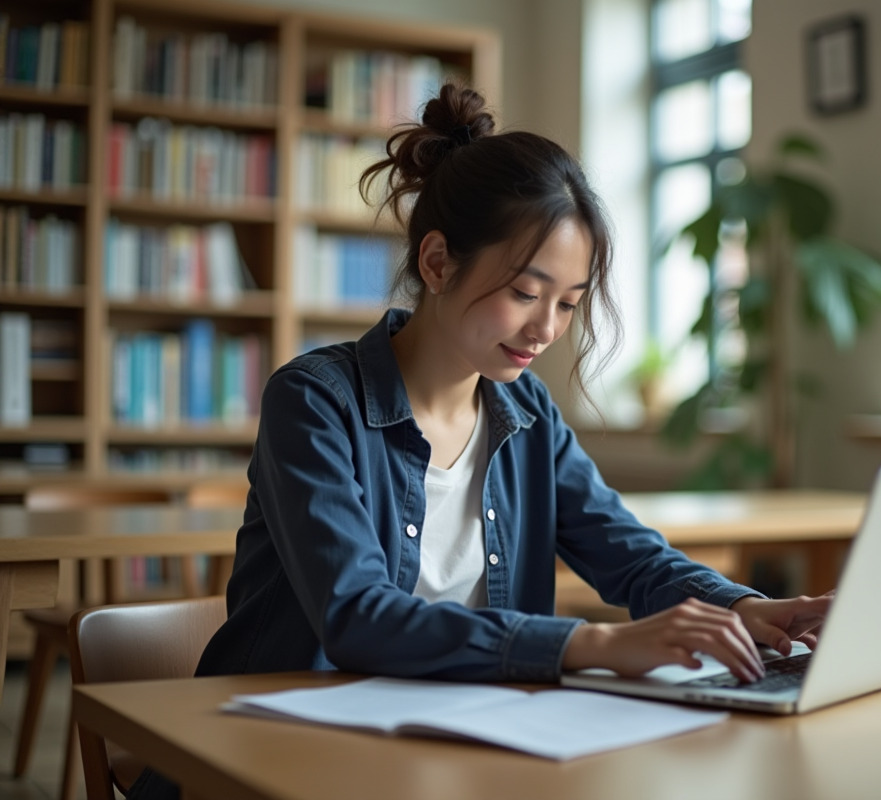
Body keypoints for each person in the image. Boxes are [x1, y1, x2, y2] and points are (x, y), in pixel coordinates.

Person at [126, 81, 830, 799]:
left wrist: (744, 608)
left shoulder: (527, 413)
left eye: (567, 304)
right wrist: (594, 644)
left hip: (455, 744)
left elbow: (631, 557)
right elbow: (355, 615)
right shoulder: (313, 401)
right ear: (436, 264)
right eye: (526, 293)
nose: (547, 329)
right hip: (275, 753)